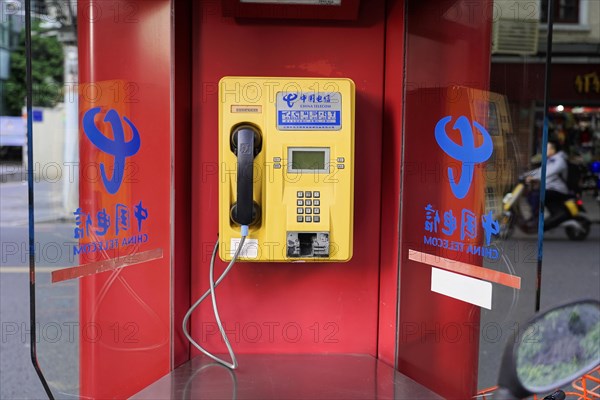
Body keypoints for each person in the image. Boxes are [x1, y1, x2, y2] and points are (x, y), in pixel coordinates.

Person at [525, 140, 571, 231]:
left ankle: (536, 219)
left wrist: (534, 178)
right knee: (530, 195)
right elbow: (539, 170)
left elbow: (548, 172)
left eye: (546, 148)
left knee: (536, 195)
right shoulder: (551, 160)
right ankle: (535, 217)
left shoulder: (559, 160)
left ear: (553, 150)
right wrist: (525, 175)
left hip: (558, 189)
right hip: (550, 188)